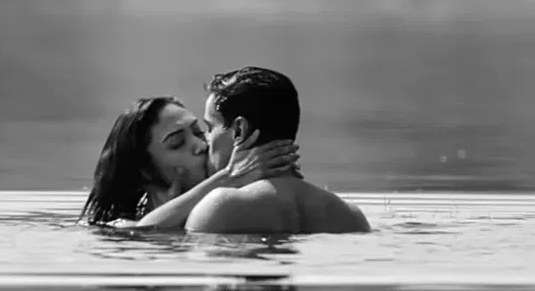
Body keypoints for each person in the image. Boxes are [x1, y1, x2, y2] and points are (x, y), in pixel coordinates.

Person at [185, 67, 370, 235]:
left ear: (239, 130)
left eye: (210, 128)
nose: (206, 140)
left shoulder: (220, 206)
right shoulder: (350, 215)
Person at [81, 96, 301, 228]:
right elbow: (143, 231)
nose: (201, 145)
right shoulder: (122, 227)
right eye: (177, 143)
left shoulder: (232, 205)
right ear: (146, 172)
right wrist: (229, 177)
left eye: (199, 131)